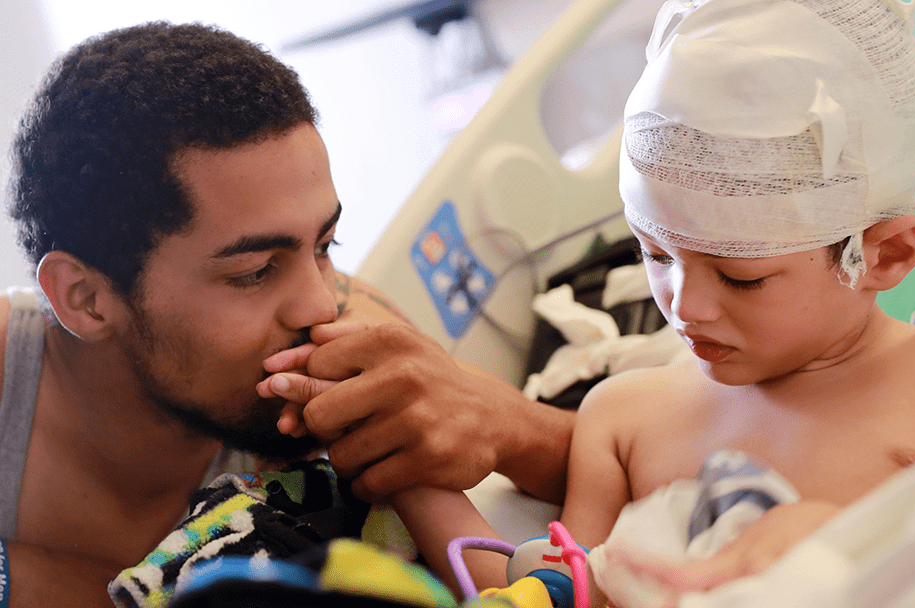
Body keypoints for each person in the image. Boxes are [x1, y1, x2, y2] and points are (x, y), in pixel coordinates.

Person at [383, 0, 915, 602]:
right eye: (654, 255)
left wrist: (826, 546)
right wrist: (411, 479)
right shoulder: (624, 418)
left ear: (884, 254)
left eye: (741, 277)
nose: (687, 306)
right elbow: (557, 594)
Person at [0, 22, 572, 607]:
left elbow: (600, 455)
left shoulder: (345, 339)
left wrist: (499, 434)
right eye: (254, 271)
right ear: (85, 297)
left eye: (326, 246)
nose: (321, 303)